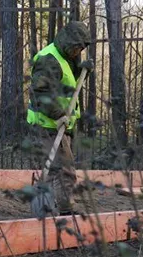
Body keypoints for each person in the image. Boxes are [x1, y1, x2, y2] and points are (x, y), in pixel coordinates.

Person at [26, 20, 93, 215]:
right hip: (47, 123)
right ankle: (65, 209)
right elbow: (40, 93)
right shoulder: (49, 60)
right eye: (76, 47)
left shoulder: (67, 58)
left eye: (81, 48)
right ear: (67, 41)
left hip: (59, 123)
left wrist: (82, 71)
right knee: (64, 168)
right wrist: (58, 115)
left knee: (56, 166)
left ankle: (46, 206)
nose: (78, 51)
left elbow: (67, 84)